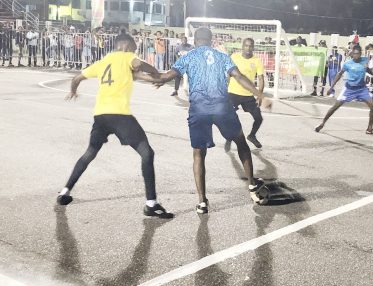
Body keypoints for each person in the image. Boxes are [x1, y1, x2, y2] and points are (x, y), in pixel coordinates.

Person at [139, 28, 267, 214]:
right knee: (241, 142)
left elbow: (165, 77)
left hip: (199, 110)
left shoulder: (188, 57)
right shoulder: (222, 56)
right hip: (222, 107)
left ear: (195, 40)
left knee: (199, 154)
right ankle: (252, 186)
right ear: (211, 40)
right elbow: (239, 77)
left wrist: (142, 75)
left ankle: (202, 202)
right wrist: (258, 93)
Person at [57, 33, 173, 218]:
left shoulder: (104, 61)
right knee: (147, 153)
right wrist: (156, 73)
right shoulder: (127, 57)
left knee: (90, 153)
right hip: (120, 115)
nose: (136, 51)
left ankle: (65, 191)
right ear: (126, 45)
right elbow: (139, 65)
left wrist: (73, 91)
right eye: (134, 48)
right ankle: (151, 203)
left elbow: (77, 78)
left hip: (101, 116)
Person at [315, 45, 373, 135]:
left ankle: (369, 128)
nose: (356, 56)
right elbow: (339, 74)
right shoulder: (348, 63)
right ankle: (322, 123)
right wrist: (331, 87)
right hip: (349, 89)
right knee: (335, 107)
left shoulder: (365, 60)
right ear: (352, 54)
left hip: (362, 89)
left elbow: (366, 69)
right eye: (354, 54)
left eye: (358, 54)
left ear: (360, 54)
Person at [225, 38, 265, 150]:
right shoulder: (234, 57)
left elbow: (261, 79)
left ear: (253, 47)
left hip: (248, 95)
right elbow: (228, 74)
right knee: (229, 117)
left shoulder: (257, 61)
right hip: (232, 93)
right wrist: (225, 89)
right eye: (246, 45)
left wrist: (260, 96)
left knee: (259, 118)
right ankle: (229, 137)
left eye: (250, 46)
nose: (248, 48)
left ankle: (252, 136)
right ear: (242, 46)